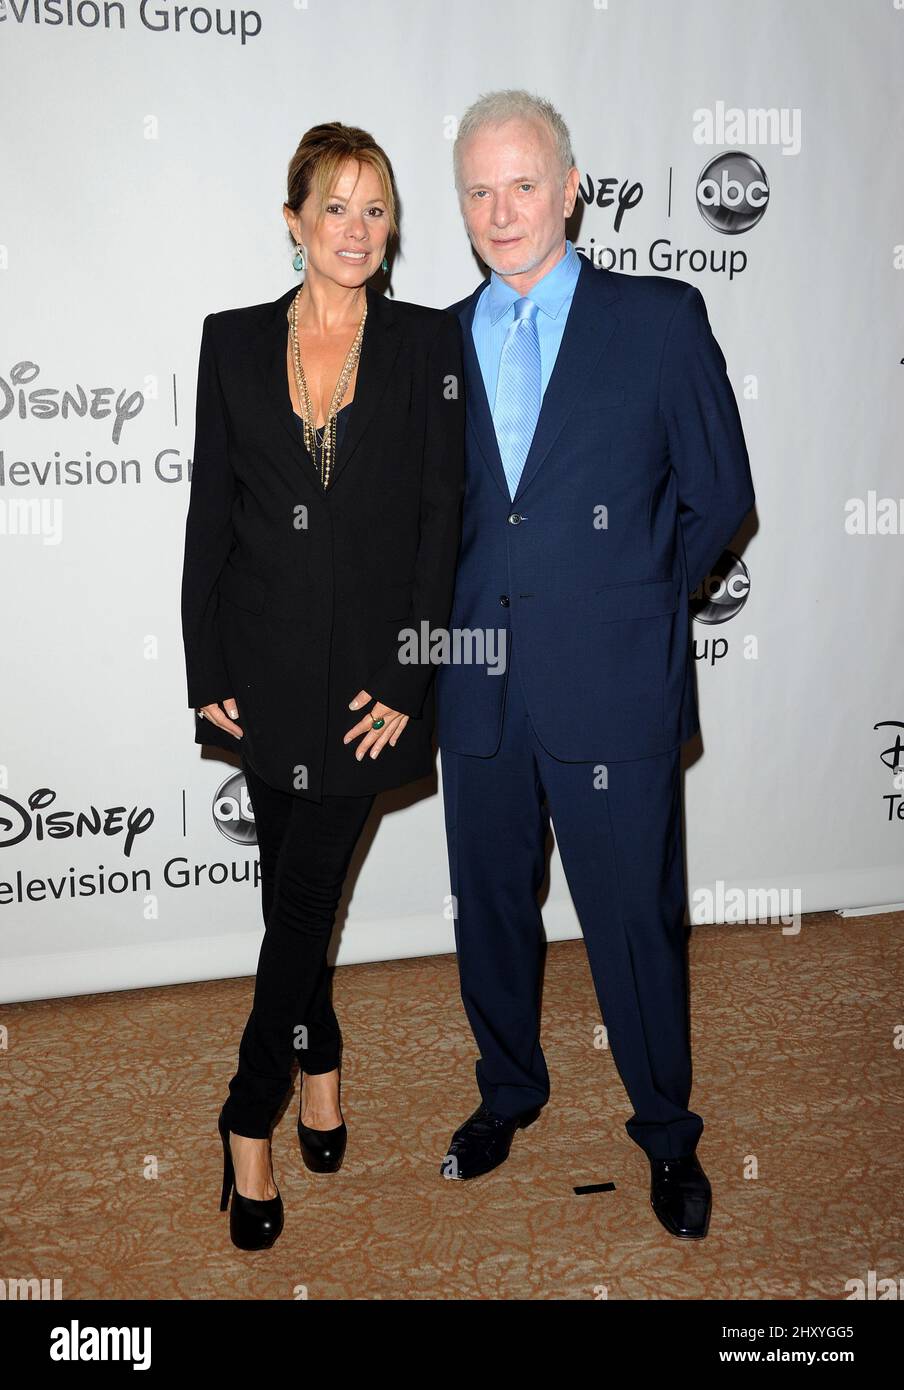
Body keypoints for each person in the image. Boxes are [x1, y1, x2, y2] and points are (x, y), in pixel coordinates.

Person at [436, 90, 755, 1239]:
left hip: (611, 682)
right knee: (490, 913)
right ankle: (507, 1091)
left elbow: (721, 493)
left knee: (631, 918)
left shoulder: (658, 319)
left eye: (523, 183)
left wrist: (625, 602)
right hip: (475, 683)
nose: (501, 208)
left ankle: (667, 1132)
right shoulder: (435, 341)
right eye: (478, 188)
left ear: (572, 189)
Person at [181, 122, 464, 1250]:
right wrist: (207, 667)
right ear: (293, 219)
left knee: (302, 900)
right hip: (262, 667)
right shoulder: (231, 341)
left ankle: (243, 1115)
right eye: (335, 207)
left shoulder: (428, 343)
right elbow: (212, 515)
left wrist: (411, 673)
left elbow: (443, 523)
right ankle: (322, 1057)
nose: (356, 229)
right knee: (286, 897)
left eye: (377, 208)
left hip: (370, 685)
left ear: (394, 230)